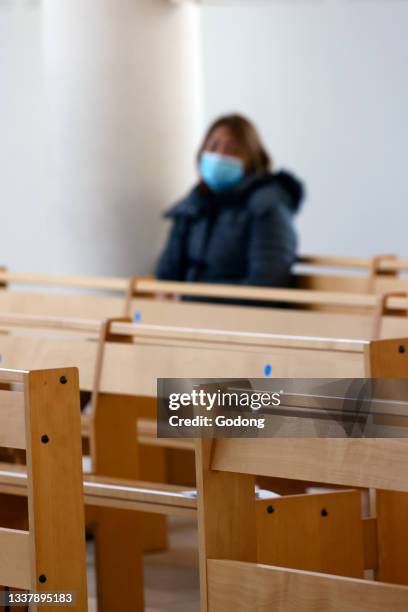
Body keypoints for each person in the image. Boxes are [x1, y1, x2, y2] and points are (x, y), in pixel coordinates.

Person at [156, 114, 304, 288]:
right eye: (213, 146)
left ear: (252, 159)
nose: (220, 156)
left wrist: (190, 298)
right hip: (184, 312)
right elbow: (166, 274)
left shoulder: (267, 208)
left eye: (232, 150)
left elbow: (267, 286)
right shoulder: (193, 207)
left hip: (237, 314)